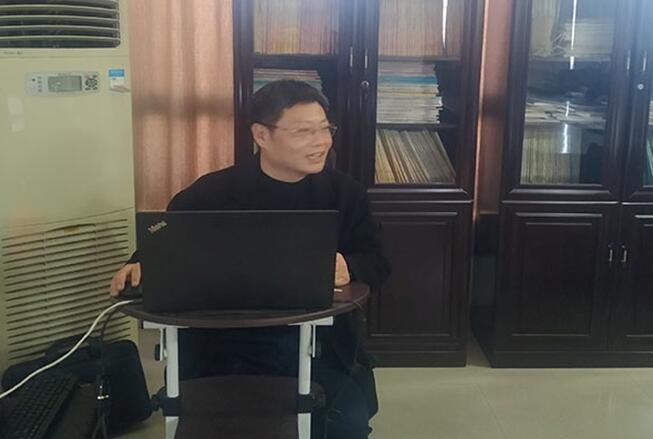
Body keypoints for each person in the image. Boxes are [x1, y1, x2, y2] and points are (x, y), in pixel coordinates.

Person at [110, 79, 390, 439]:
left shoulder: (345, 193)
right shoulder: (212, 193)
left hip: (315, 345)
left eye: (325, 129)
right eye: (304, 132)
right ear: (261, 135)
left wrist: (350, 266)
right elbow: (165, 243)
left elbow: (377, 261)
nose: (321, 142)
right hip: (219, 345)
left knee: (345, 425)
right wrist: (139, 263)